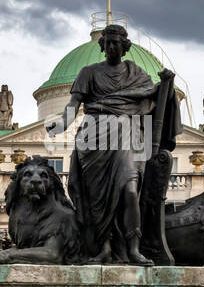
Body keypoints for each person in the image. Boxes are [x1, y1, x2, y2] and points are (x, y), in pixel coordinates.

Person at [45, 23, 179, 265]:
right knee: (97, 199)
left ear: (124, 46)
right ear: (103, 46)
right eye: (108, 43)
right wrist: (60, 125)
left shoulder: (135, 72)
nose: (112, 47)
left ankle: (133, 248)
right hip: (94, 137)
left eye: (117, 42)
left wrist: (165, 87)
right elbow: (73, 106)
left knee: (129, 190)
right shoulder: (88, 72)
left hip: (127, 134)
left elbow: (152, 98)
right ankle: (104, 248)